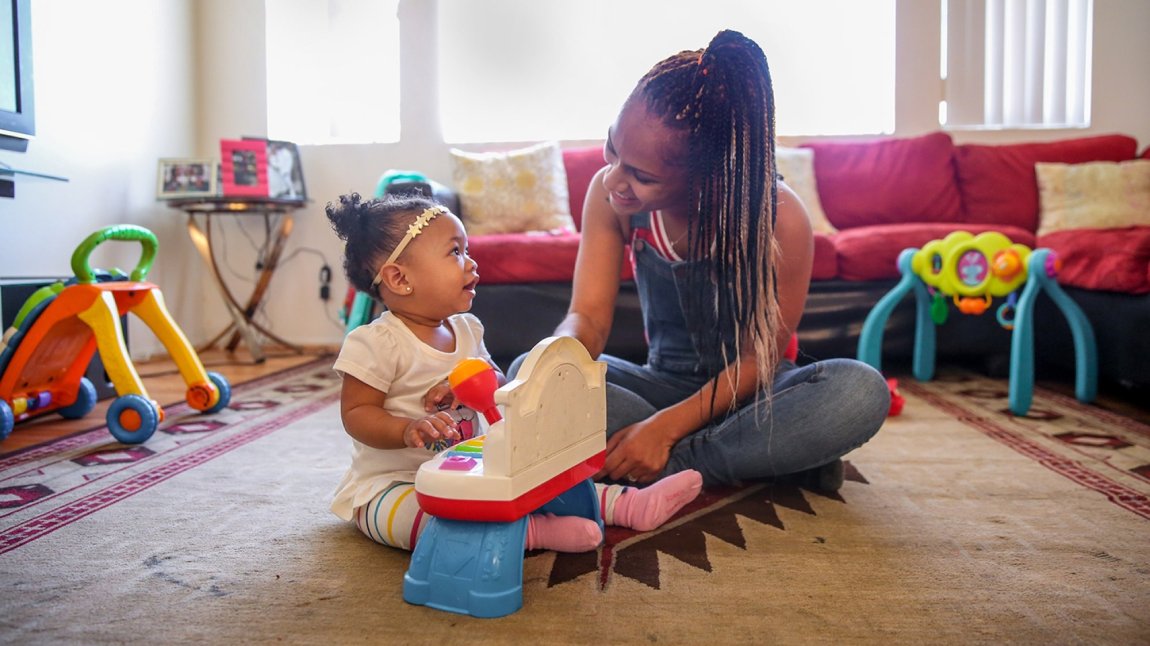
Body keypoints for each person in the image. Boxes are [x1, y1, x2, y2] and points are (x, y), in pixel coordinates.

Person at [548, 30, 890, 489]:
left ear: (708, 177)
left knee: (859, 391)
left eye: (642, 175)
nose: (613, 180)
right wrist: (552, 362)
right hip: (660, 384)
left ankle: (668, 461)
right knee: (536, 372)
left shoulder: (780, 218)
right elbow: (587, 317)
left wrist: (664, 431)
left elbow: (759, 359)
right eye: (612, 149)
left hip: (753, 394)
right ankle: (765, 458)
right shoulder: (609, 199)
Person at [325, 192, 703, 553]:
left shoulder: (468, 329)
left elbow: (499, 384)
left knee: (544, 473)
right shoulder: (376, 342)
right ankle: (535, 532)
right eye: (455, 252)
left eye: (468, 250)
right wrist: (405, 430)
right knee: (420, 522)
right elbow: (357, 414)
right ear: (400, 279)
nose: (471, 263)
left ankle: (627, 504)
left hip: (475, 468)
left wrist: (474, 383)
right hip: (397, 484)